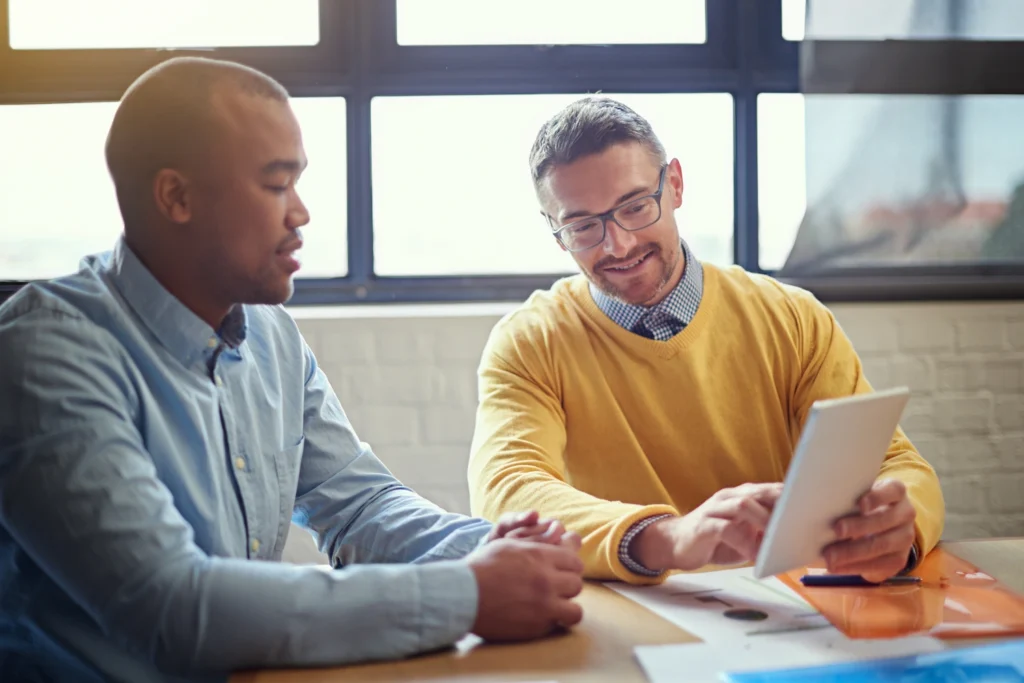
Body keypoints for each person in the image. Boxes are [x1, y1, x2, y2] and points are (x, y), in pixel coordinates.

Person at [0, 57, 585, 683]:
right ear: (177, 196)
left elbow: (358, 508)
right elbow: (173, 607)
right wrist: (469, 595)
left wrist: (496, 548)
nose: (301, 214)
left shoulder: (270, 331)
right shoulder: (43, 354)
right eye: (277, 186)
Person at [468, 96, 945, 587]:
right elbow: (508, 490)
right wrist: (668, 536)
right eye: (584, 226)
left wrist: (898, 529)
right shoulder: (529, 343)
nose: (619, 245)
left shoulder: (793, 318)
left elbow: (895, 464)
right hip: (635, 616)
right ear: (556, 232)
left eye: (635, 206)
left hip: (794, 609)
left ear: (674, 185)